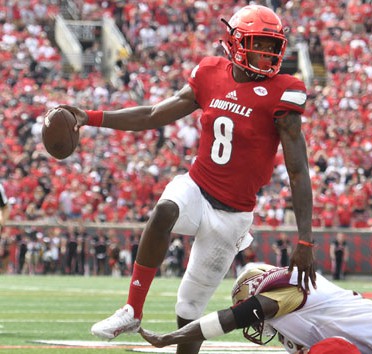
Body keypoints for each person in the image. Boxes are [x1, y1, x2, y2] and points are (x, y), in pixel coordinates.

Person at [60, 5, 316, 352]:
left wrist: (305, 240)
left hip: (232, 215)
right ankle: (132, 309)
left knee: (188, 312)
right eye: (258, 44)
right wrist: (91, 117)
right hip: (197, 186)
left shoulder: (284, 90)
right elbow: (153, 113)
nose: (267, 53)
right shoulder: (211, 72)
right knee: (164, 210)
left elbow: (298, 171)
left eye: (272, 46)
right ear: (236, 42)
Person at [138, 264, 372, 354]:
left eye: (246, 300)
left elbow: (234, 318)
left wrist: (174, 336)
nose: (249, 310)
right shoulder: (291, 326)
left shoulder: (289, 290)